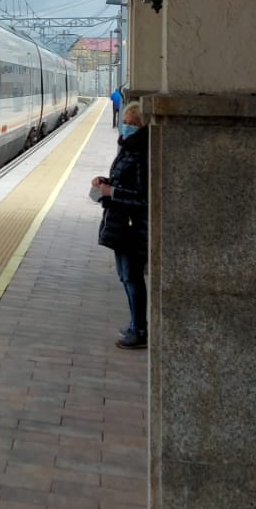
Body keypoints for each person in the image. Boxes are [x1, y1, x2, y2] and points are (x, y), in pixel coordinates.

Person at [91, 100, 148, 349]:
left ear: (143, 126)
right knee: (125, 277)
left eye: (132, 124)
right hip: (121, 224)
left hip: (133, 227)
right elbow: (122, 182)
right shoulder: (129, 148)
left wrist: (112, 191)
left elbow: (144, 197)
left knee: (132, 278)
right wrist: (105, 182)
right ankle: (135, 325)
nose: (126, 127)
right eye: (125, 123)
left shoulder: (142, 154)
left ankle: (140, 329)